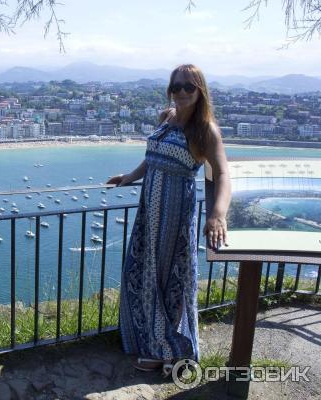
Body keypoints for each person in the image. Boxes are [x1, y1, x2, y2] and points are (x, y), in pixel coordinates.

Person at [106, 64, 231, 377]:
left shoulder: (205, 131)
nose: (181, 92)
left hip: (176, 214)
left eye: (189, 86)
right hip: (149, 212)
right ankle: (149, 339)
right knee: (141, 272)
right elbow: (153, 157)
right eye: (176, 86)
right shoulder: (166, 117)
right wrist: (130, 177)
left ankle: (170, 349)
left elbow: (222, 174)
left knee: (168, 279)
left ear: (200, 90)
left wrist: (217, 214)